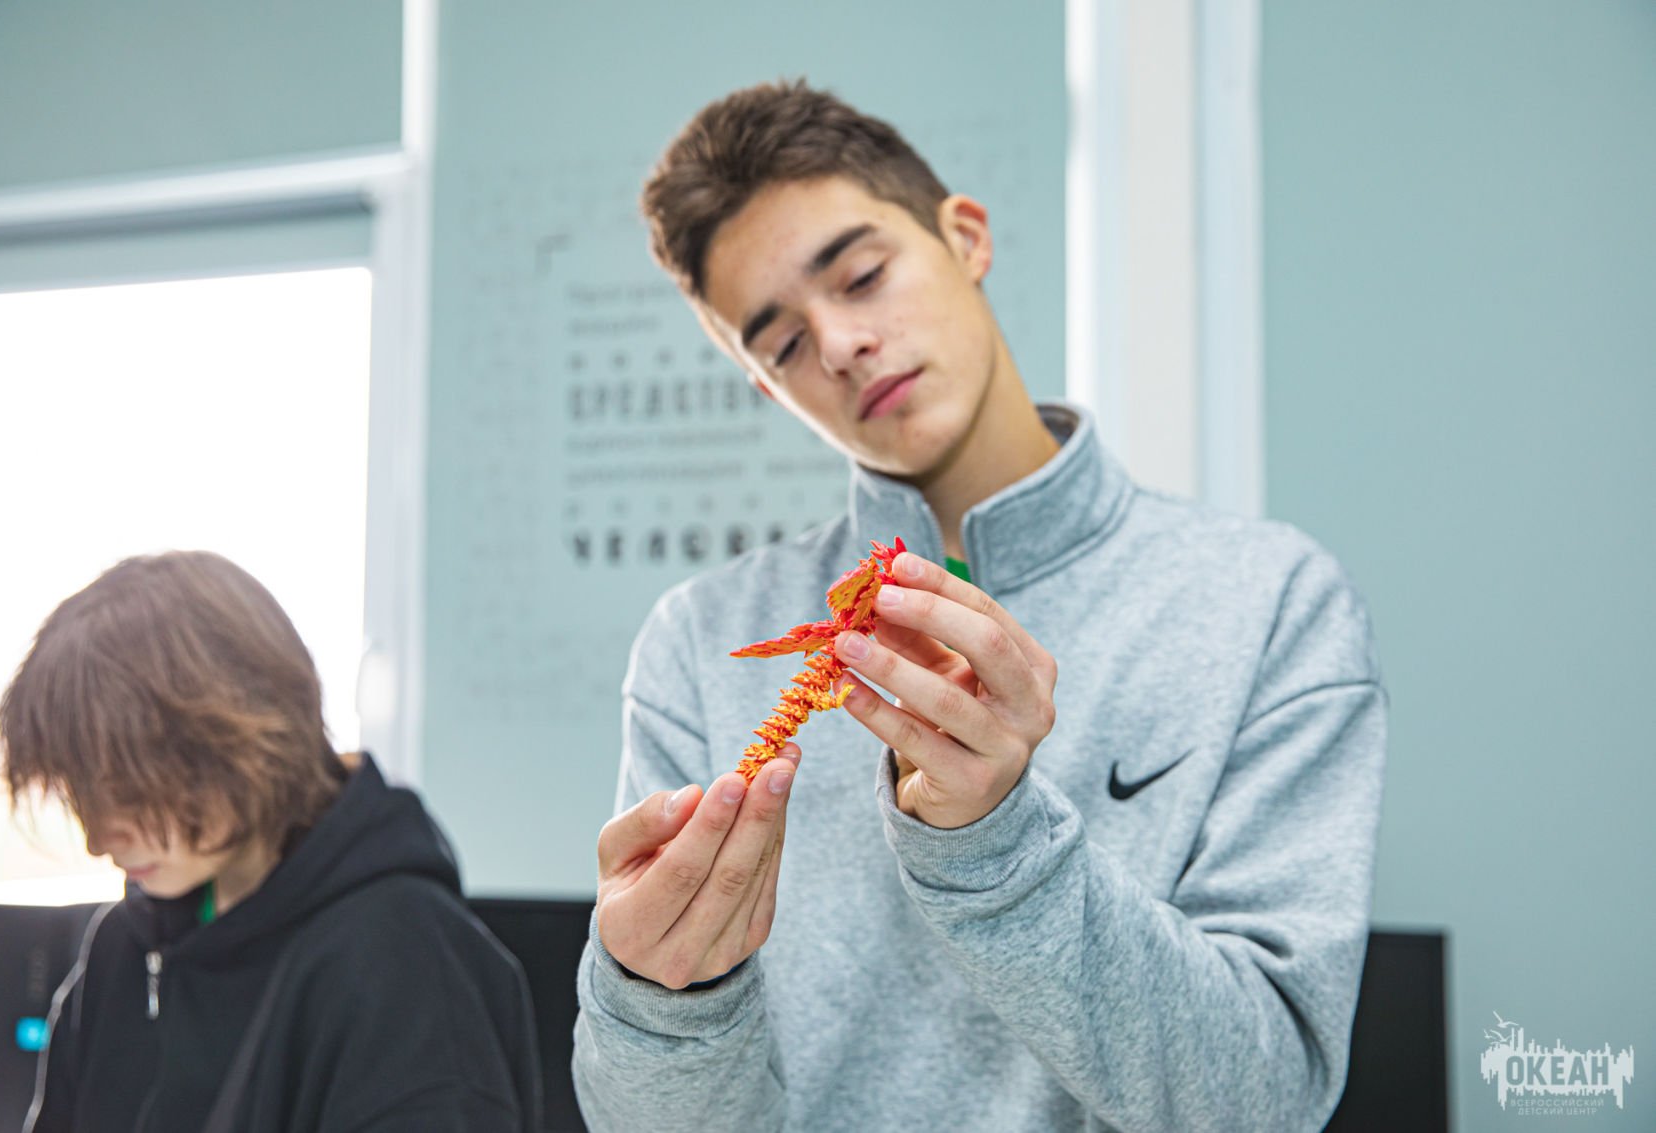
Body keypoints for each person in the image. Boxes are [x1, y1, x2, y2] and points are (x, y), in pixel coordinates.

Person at [569, 79, 1387, 1133]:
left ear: (965, 237)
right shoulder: (699, 642)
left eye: (862, 275)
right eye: (781, 344)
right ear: (768, 387)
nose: (839, 343)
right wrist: (656, 1001)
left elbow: (1263, 1099)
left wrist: (1000, 844)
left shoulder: (1267, 603)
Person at [0, 551, 543, 1132]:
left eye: (129, 791)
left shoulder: (407, 971)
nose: (99, 840)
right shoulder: (125, 949)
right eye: (81, 794)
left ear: (241, 743)